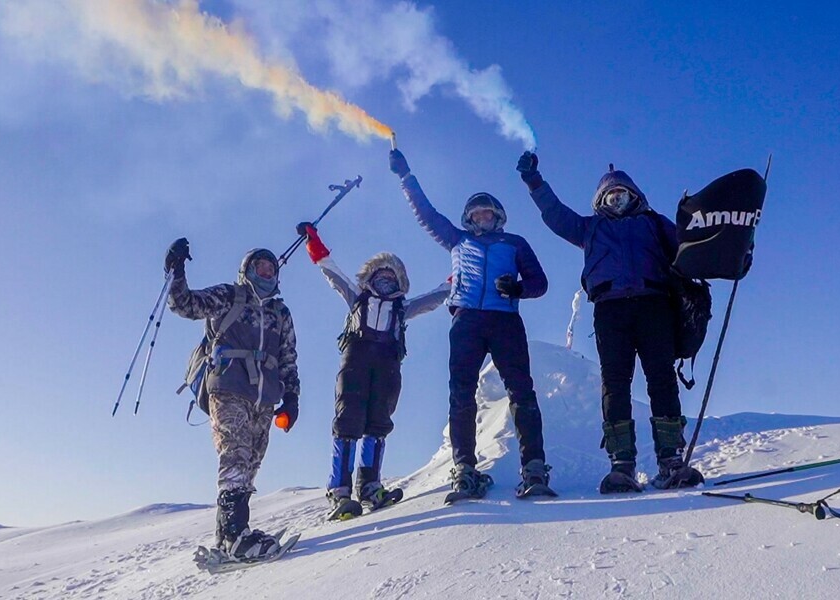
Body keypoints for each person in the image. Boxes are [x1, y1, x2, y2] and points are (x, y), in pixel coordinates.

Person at [515, 151, 704, 493]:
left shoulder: (654, 222)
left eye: (623, 193)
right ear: (600, 201)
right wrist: (534, 182)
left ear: (635, 195)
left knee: (661, 378)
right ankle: (622, 464)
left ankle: (670, 459)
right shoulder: (590, 228)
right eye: (610, 195)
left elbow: (689, 246)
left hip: (654, 304)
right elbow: (556, 215)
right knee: (615, 384)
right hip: (610, 309)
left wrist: (730, 251)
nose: (617, 199)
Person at [389, 148, 555, 500]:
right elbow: (426, 214)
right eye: (476, 214)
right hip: (466, 321)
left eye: (488, 214)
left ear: (498, 217)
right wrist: (406, 177)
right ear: (468, 219)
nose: (482, 218)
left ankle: (535, 468)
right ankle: (464, 469)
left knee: (521, 391)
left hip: (506, 321)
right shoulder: (457, 240)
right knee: (460, 393)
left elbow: (540, 284)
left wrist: (519, 288)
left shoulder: (515, 243)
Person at [295, 222, 450, 519]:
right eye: (382, 275)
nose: (386, 281)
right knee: (348, 421)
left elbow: (437, 296)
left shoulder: (402, 308)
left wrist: (460, 272)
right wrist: (312, 240)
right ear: (371, 277)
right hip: (356, 362)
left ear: (400, 281)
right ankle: (339, 492)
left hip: (388, 368)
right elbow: (331, 270)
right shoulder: (358, 297)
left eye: (392, 277)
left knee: (378, 423)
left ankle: (369, 486)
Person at [165, 238, 300, 557]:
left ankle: (228, 534)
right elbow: (185, 305)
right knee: (234, 452)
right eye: (260, 266)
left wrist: (292, 398)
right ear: (247, 270)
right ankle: (237, 534)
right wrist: (175, 270)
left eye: (271, 267)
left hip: (265, 398)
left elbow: (288, 358)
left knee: (252, 460)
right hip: (228, 385)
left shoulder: (281, 312)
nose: (267, 271)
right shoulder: (230, 295)